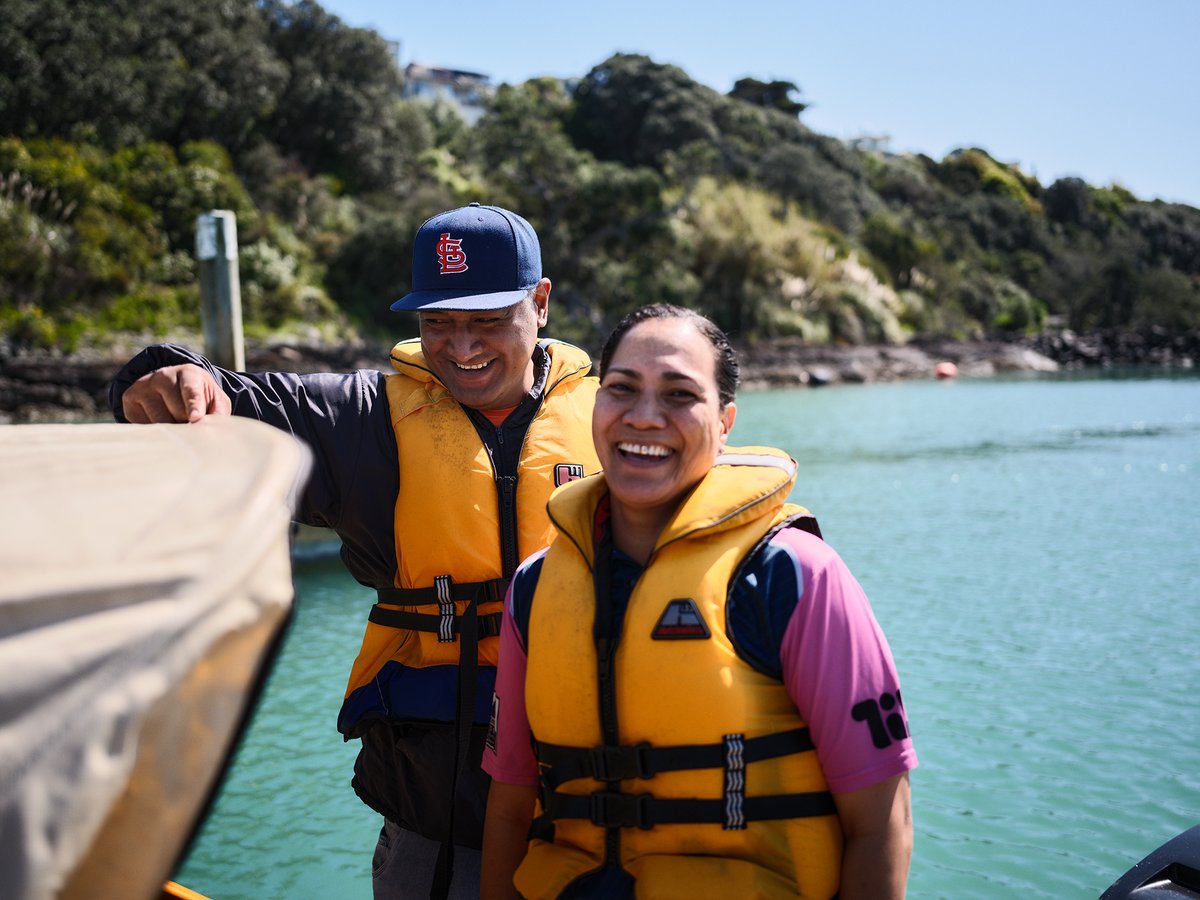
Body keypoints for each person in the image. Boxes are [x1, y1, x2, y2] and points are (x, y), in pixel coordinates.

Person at [109, 203, 603, 899]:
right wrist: (154, 380)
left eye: (487, 321)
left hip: (593, 818)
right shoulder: (362, 420)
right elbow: (232, 400)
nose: (461, 348)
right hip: (435, 822)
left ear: (541, 302)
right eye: (437, 322)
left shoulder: (613, 421)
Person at [480, 304, 916, 900]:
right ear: (596, 404)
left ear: (726, 419)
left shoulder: (792, 575)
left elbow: (882, 822)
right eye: (622, 390)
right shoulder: (533, 591)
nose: (645, 417)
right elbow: (508, 810)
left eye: (680, 396)